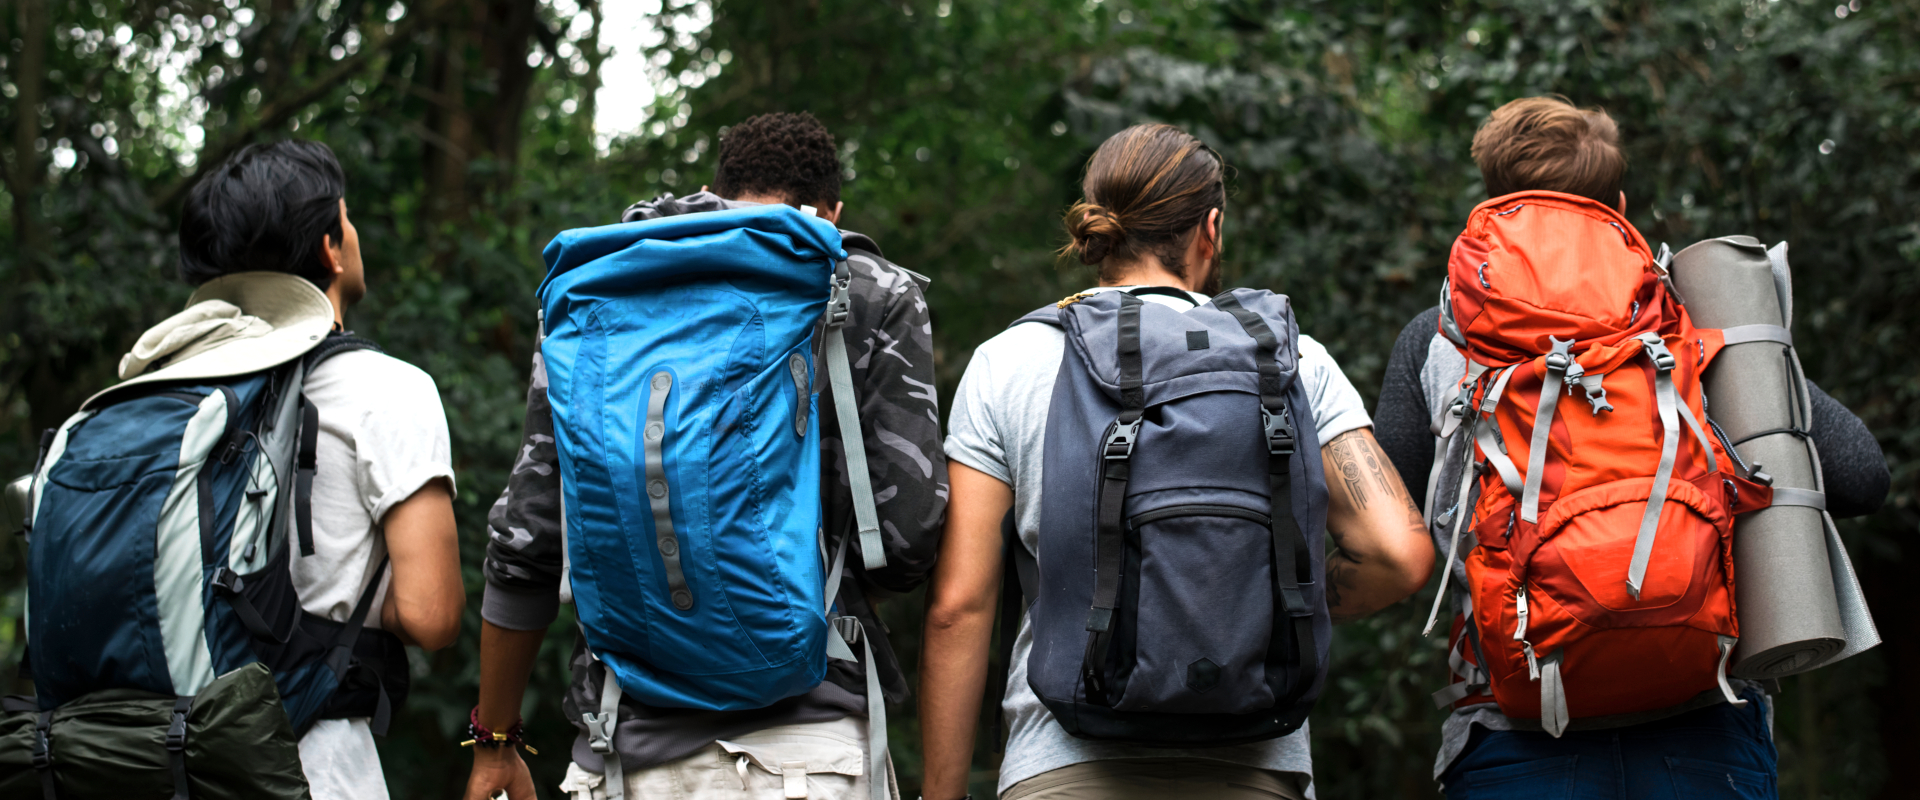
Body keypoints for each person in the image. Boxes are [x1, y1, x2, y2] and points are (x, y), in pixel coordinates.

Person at [1370, 96, 1892, 798]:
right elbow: (1862, 477)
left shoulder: (1439, 341)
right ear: (1617, 205)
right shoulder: (1695, 322)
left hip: (1515, 737)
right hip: (1704, 731)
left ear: (1499, 207)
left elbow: (1385, 537)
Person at [918, 123, 1435, 800]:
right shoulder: (1291, 360)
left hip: (1063, 765)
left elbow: (961, 605)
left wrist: (942, 793)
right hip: (1254, 768)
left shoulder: (1010, 362)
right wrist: (1257, 598)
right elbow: (1399, 556)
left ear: (1096, 232)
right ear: (1210, 228)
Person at [464, 111, 948, 800]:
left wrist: (496, 742)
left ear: (712, 190)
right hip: (809, 749)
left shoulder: (604, 285)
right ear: (832, 212)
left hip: (625, 744)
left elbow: (528, 536)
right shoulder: (866, 287)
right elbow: (904, 545)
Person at [178, 140, 466, 798]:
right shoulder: (387, 388)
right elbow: (433, 613)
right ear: (332, 248)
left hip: (161, 750)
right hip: (309, 753)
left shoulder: (168, 395)